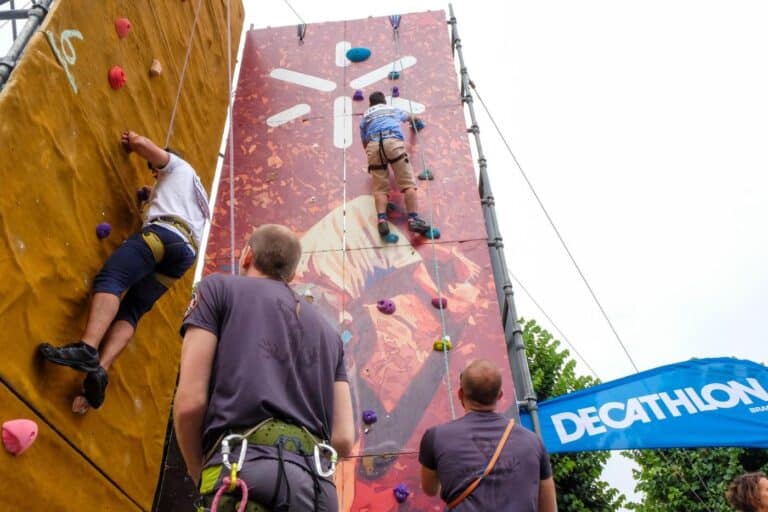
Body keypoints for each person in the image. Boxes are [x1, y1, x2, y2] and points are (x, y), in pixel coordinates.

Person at [174, 224, 354, 511]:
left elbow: (190, 403)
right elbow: (344, 439)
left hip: (242, 472)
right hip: (317, 490)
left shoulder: (217, 289)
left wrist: (200, 471)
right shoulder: (330, 335)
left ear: (247, 256)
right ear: (291, 276)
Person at [39, 131, 210, 410]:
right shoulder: (197, 193)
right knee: (132, 310)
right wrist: (150, 198)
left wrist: (134, 141)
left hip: (164, 234)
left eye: (155, 172)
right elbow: (170, 200)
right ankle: (100, 369)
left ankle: (88, 348)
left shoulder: (177, 166)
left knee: (112, 278)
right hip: (184, 255)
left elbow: (145, 147)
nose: (154, 176)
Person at [418, 359, 557, 512]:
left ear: (460, 394)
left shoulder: (435, 437)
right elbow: (549, 508)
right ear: (500, 395)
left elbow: (430, 489)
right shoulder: (534, 443)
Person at [359, 91, 436, 239]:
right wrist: (417, 121)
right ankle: (413, 219)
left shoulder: (366, 117)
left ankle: (382, 219)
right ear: (384, 102)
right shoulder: (391, 110)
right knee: (408, 184)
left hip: (373, 147)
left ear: (370, 104)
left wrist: (373, 158)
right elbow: (410, 117)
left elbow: (364, 142)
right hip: (393, 142)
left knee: (380, 189)